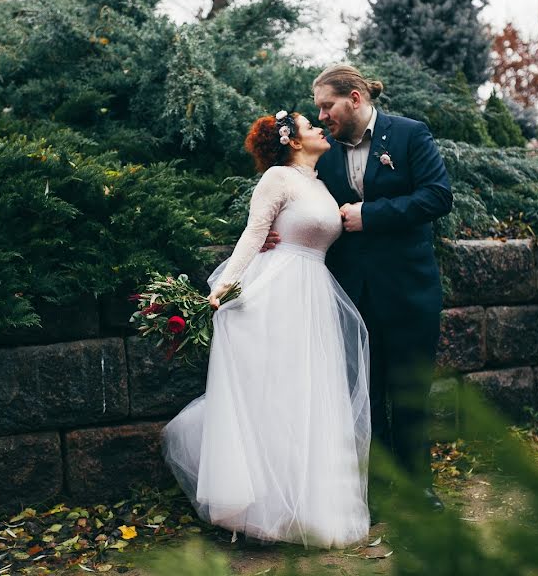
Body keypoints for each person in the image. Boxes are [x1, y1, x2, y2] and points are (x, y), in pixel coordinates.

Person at [161, 111, 371, 549]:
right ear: (291, 140)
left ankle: (308, 508)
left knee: (307, 397)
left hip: (313, 295)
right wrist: (221, 289)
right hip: (276, 292)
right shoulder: (277, 177)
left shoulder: (319, 184)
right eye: (308, 125)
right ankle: (261, 513)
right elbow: (253, 235)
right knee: (274, 396)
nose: (318, 127)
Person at [265, 65, 453, 512]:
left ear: (354, 98)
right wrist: (274, 233)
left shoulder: (408, 135)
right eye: (318, 110)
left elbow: (437, 195)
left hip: (410, 290)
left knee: (409, 392)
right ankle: (377, 492)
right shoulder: (321, 153)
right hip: (351, 294)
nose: (321, 116)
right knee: (363, 394)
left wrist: (372, 214)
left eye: (326, 106)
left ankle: (419, 489)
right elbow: (294, 197)